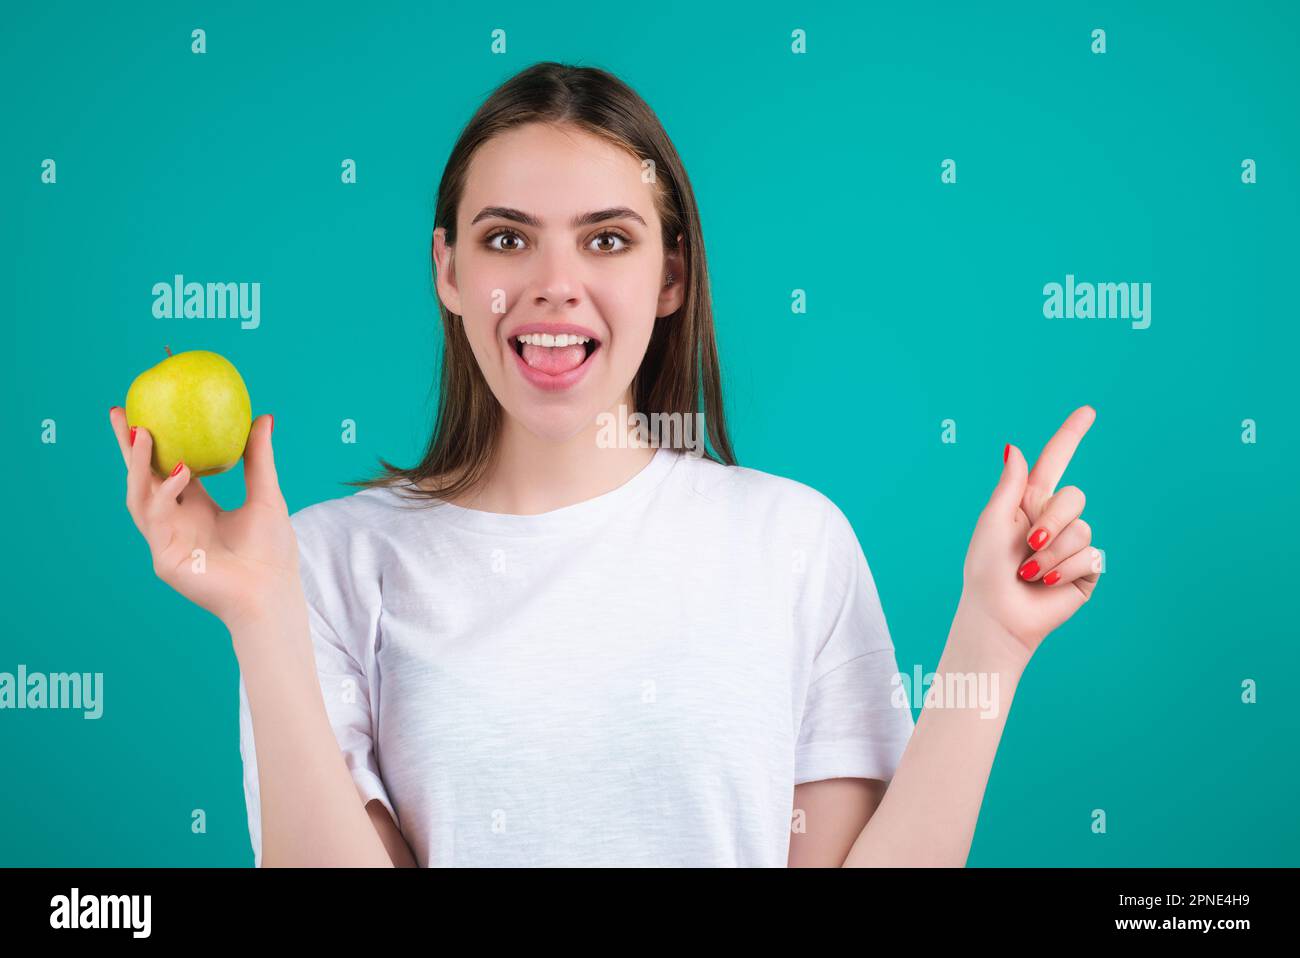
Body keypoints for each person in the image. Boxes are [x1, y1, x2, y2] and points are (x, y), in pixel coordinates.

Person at [107, 61, 1101, 867]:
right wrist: (259, 618)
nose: (554, 287)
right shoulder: (317, 562)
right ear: (449, 271)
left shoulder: (790, 541)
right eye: (507, 240)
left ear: (669, 274)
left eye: (606, 240)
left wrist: (991, 641)